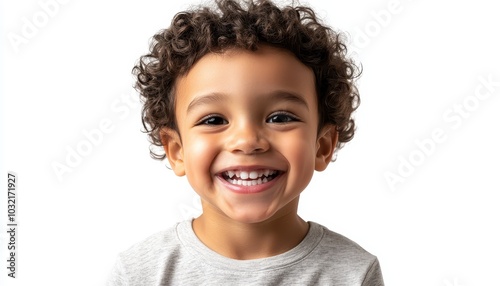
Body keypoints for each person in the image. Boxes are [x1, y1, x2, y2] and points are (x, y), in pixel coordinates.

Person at [108, 0, 384, 285]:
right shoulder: (139, 273)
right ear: (177, 151)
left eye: (280, 118)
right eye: (214, 120)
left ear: (322, 145)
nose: (247, 141)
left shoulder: (353, 273)